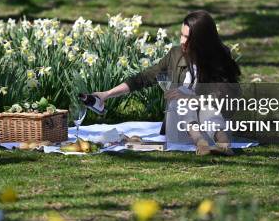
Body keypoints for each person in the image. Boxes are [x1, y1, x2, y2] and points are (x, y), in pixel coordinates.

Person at [93, 10, 241, 156]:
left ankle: (223, 145)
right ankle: (201, 144)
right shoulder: (175, 55)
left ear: (202, 40)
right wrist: (106, 94)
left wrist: (194, 99)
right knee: (179, 98)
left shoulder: (220, 56)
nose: (183, 41)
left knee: (204, 104)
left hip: (212, 126)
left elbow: (228, 98)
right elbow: (144, 78)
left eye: (188, 38)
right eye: (182, 35)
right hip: (181, 130)